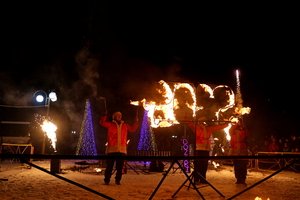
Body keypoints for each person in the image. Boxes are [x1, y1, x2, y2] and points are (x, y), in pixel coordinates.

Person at [99, 111, 139, 185]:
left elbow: (133, 129)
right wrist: (104, 116)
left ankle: (118, 180)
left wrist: (136, 121)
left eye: (120, 115)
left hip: (122, 150)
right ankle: (107, 180)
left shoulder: (125, 125)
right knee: (109, 167)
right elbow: (102, 123)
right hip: (111, 149)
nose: (119, 116)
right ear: (114, 117)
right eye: (117, 115)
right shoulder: (111, 124)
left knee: (120, 167)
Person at [186, 121, 228, 185]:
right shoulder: (196, 128)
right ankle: (196, 179)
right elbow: (190, 124)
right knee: (198, 165)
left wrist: (226, 124)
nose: (204, 123)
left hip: (206, 149)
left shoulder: (208, 129)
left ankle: (203, 179)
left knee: (204, 165)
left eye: (205, 122)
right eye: (202, 122)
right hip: (198, 149)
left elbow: (217, 127)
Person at [229, 120, 248, 185]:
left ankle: (243, 179)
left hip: (243, 150)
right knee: (236, 165)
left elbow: (246, 134)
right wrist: (236, 124)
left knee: (243, 165)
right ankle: (238, 179)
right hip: (235, 150)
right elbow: (230, 130)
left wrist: (242, 124)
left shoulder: (244, 130)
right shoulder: (232, 132)